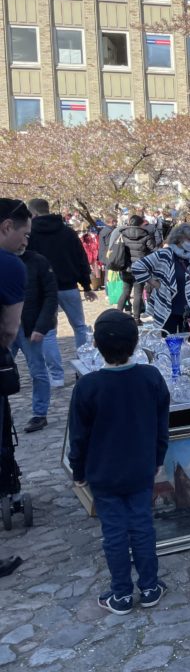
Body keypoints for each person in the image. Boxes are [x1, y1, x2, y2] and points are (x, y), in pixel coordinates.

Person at [68, 309, 170, 614]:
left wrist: (78, 471)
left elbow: (78, 437)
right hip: (140, 469)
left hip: (104, 474)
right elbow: (161, 425)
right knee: (142, 526)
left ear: (97, 346)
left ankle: (121, 594)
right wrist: (157, 460)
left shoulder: (87, 387)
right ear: (136, 343)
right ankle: (150, 587)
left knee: (113, 532)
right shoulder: (151, 377)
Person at [24, 199, 97, 386]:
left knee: (48, 332)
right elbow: (80, 259)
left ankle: (56, 375)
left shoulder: (30, 234)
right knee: (80, 327)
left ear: (33, 213)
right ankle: (84, 366)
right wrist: (87, 286)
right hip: (69, 285)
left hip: (43, 288)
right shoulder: (67, 232)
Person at [0, 198, 31, 578]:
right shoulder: (9, 265)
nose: (25, 241)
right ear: (7, 226)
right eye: (23, 233)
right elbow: (9, 329)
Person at [131, 224, 190, 334]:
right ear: (179, 239)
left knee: (189, 344)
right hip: (168, 307)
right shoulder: (165, 254)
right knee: (168, 343)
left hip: (188, 309)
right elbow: (137, 266)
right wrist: (155, 284)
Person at [11, 244, 58, 433]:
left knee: (37, 371)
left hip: (29, 326)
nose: (23, 241)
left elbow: (50, 295)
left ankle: (40, 413)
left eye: (26, 237)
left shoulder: (37, 261)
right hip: (6, 326)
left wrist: (41, 326)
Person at [115, 216, 156, 324]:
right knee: (138, 293)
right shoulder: (146, 234)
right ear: (141, 224)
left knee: (125, 292)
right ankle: (137, 319)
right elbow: (153, 249)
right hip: (140, 268)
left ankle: (117, 314)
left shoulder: (122, 234)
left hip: (126, 267)